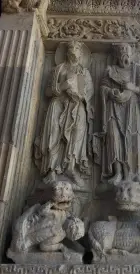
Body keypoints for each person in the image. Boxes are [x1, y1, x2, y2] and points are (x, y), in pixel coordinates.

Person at [35, 41, 94, 185]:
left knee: (78, 129)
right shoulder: (59, 69)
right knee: (53, 132)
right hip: (58, 103)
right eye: (71, 48)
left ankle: (71, 168)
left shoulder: (83, 72)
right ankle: (52, 170)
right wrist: (63, 86)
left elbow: (86, 93)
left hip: (75, 105)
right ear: (66, 52)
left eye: (77, 49)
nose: (74, 51)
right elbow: (48, 92)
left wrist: (77, 93)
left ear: (81, 54)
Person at [100, 43, 140, 185]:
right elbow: (103, 87)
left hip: (133, 109)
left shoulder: (137, 69)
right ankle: (118, 172)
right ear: (116, 55)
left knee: (133, 138)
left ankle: (135, 173)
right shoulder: (110, 70)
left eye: (126, 50)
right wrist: (110, 92)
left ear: (130, 53)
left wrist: (132, 88)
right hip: (114, 109)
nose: (124, 53)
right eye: (121, 51)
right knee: (113, 137)